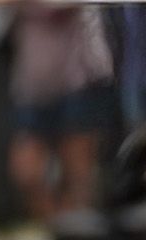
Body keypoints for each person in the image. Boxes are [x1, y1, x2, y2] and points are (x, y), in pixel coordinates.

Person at [8, 1, 113, 222]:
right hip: (31, 85)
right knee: (27, 171)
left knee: (77, 170)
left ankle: (77, 230)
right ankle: (57, 227)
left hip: (76, 79)